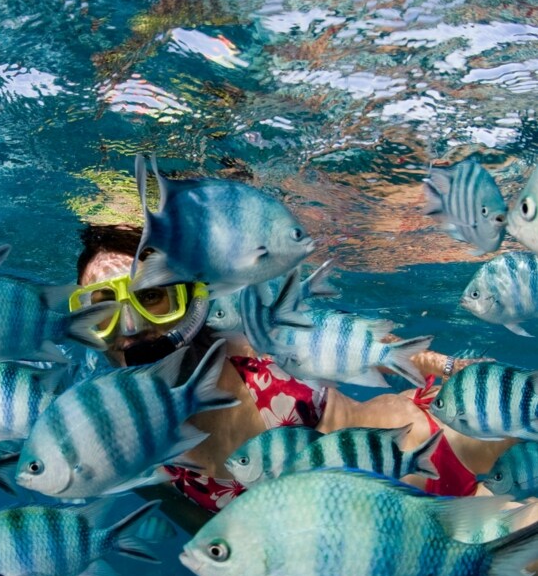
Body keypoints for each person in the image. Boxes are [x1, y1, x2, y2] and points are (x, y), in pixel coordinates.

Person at [72, 223, 514, 529]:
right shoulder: (128, 453)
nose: (129, 327)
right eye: (101, 309)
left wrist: (454, 370)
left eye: (152, 297)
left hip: (442, 444)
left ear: (189, 298)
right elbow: (209, 536)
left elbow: (355, 344)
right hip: (401, 549)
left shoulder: (246, 337)